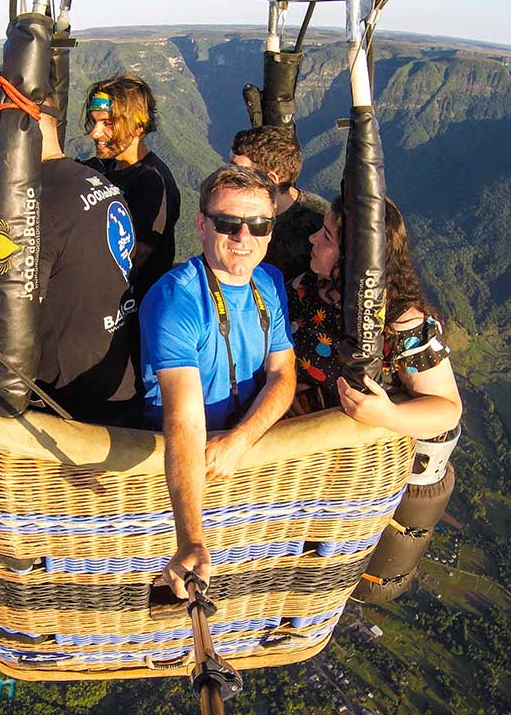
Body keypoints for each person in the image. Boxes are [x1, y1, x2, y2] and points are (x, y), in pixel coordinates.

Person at [140, 165, 297, 598]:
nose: (244, 237)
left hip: (234, 450)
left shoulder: (269, 282)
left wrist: (240, 441)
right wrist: (191, 539)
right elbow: (185, 421)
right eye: (229, 223)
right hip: (184, 462)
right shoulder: (177, 300)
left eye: (259, 225)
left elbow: (284, 375)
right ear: (202, 225)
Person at [0, 84, 140, 426]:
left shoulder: (27, 210)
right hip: (117, 380)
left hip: (67, 408)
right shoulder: (93, 179)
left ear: (13, 131)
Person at [288, 194, 461, 438]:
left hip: (352, 459)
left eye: (326, 236)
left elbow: (448, 410)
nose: (312, 239)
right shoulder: (308, 289)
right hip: (296, 443)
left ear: (356, 257)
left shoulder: (402, 325)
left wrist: (389, 416)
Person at [79, 75, 180, 298]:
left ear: (138, 128)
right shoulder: (105, 166)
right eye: (94, 121)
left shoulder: (152, 182)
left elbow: (133, 259)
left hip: (132, 309)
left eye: (108, 123)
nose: (95, 133)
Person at [229, 126, 330, 283]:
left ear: (270, 179)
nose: (229, 176)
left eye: (239, 171)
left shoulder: (320, 223)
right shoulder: (233, 209)